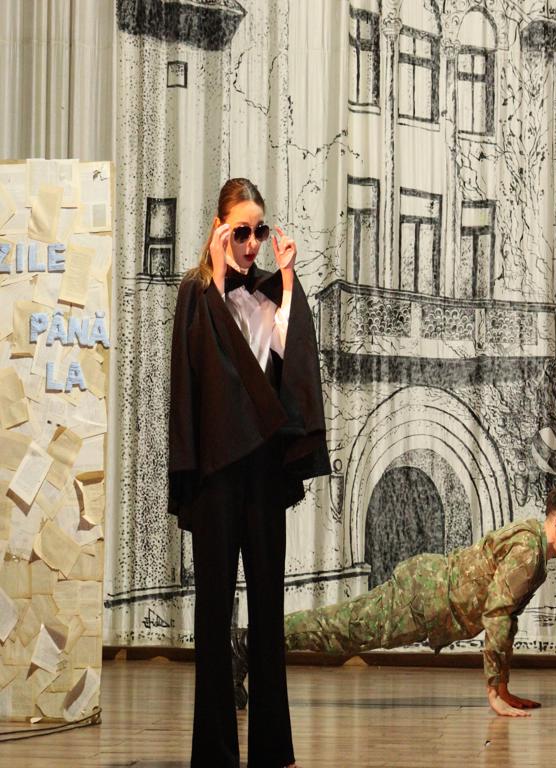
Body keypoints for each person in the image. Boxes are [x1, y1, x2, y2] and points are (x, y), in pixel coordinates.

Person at [169, 177, 329, 767]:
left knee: (267, 609)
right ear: (219, 230)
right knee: (214, 612)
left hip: (261, 468)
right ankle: (214, 753)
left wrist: (288, 279)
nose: (252, 243)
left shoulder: (268, 289)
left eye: (259, 230)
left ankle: (272, 748)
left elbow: (289, 361)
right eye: (241, 231)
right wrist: (216, 276)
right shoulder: (196, 294)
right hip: (216, 470)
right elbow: (195, 376)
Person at [233, 485, 556, 718]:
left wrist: (502, 687)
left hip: (425, 597)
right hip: (421, 598)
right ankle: (245, 643)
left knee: (340, 631)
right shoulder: (529, 553)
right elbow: (497, 615)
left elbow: (506, 620)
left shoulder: (533, 549)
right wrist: (493, 693)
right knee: (338, 630)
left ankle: (246, 645)